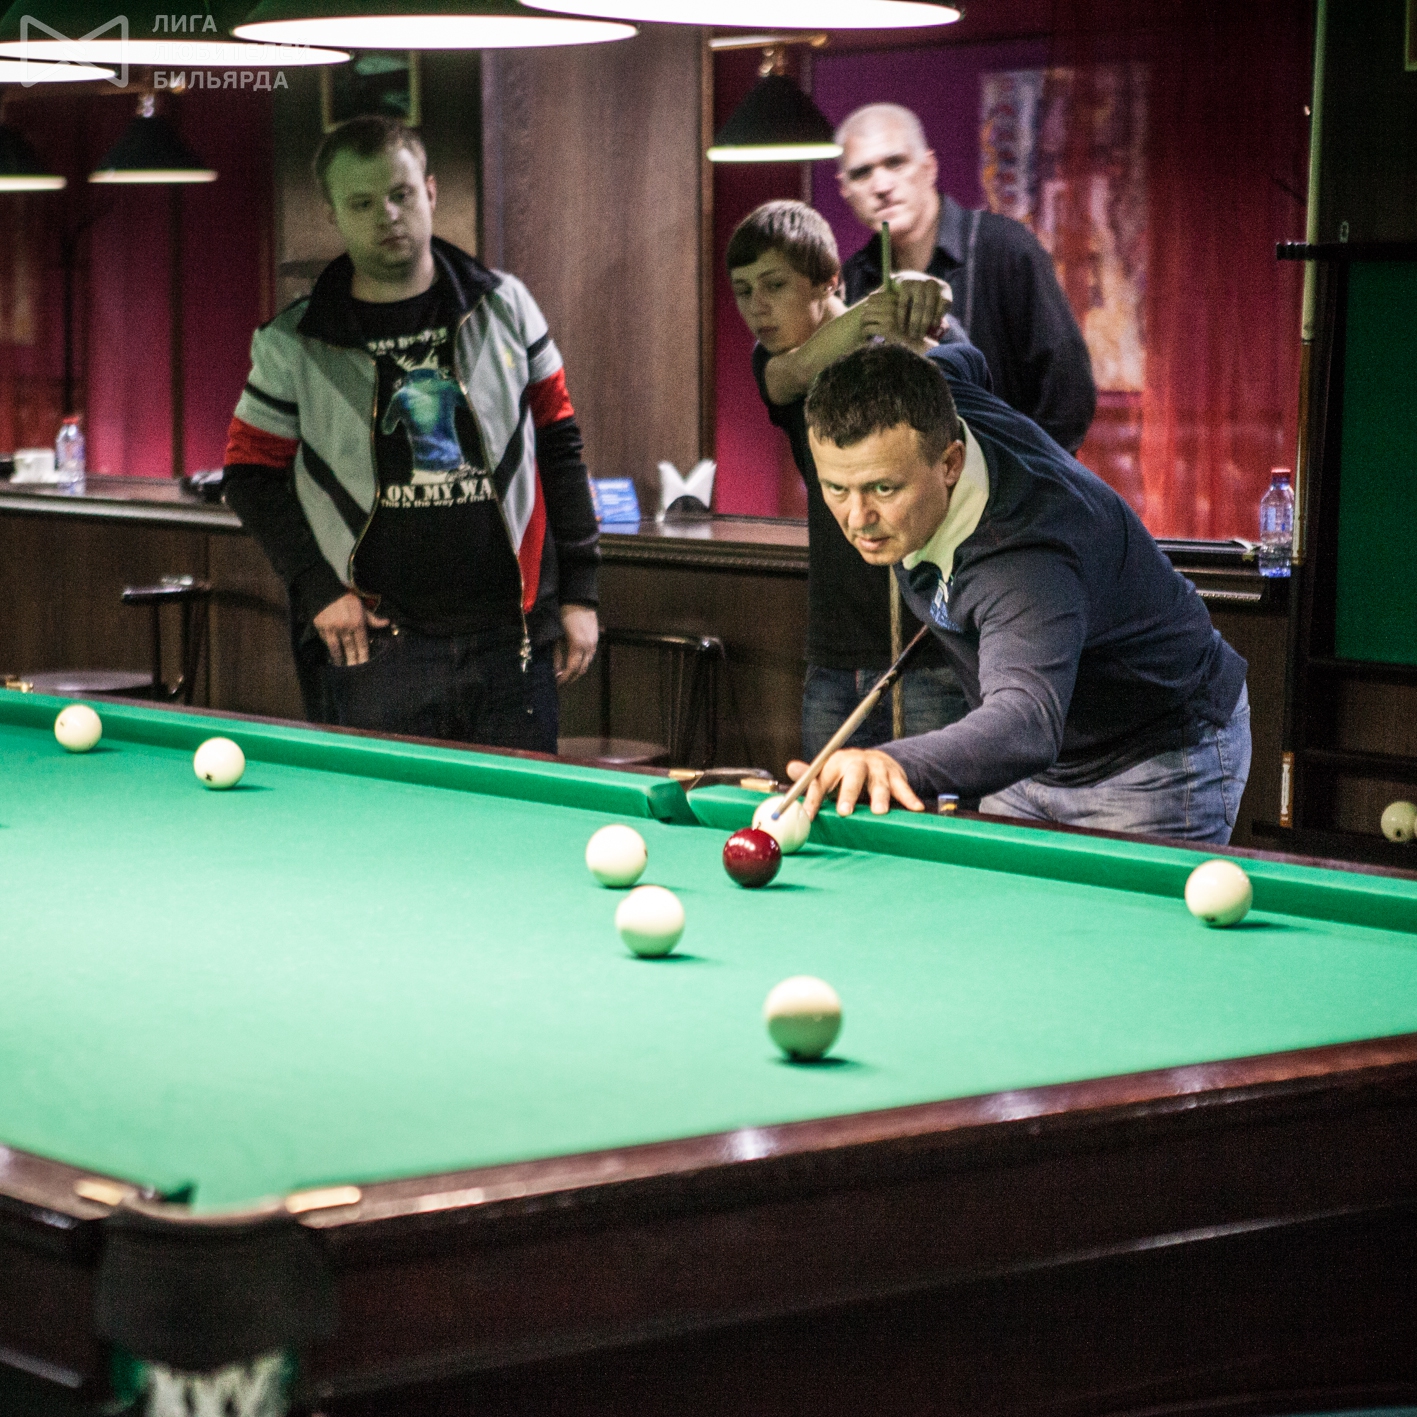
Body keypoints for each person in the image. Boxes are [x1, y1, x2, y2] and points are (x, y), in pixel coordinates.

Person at [222, 116, 599, 752]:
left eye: (400, 194)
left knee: (517, 813)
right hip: (375, 641)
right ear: (334, 214)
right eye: (362, 203)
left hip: (511, 636)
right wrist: (317, 589)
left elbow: (559, 444)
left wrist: (581, 593)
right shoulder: (295, 341)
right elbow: (248, 474)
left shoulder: (506, 307)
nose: (387, 216)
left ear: (430, 192)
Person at [790, 342, 1250, 844]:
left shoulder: (1023, 563)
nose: (857, 519)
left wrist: (891, 761)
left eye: (883, 489)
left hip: (1150, 758)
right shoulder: (939, 394)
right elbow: (965, 358)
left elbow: (1026, 722)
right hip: (1023, 765)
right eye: (836, 489)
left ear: (950, 462)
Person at [726, 200, 969, 756]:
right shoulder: (776, 361)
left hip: (929, 650)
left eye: (774, 285)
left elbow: (967, 380)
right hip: (834, 653)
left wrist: (922, 315)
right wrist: (874, 310)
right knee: (828, 802)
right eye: (743, 291)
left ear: (828, 279)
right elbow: (793, 374)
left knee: (929, 807)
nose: (758, 307)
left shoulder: (910, 349)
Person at [835, 103, 1097, 455]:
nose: (881, 185)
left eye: (895, 163)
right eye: (862, 173)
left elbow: (1068, 390)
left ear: (929, 167)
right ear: (844, 189)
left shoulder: (1005, 249)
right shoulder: (854, 280)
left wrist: (1030, 478)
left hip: (1008, 483)